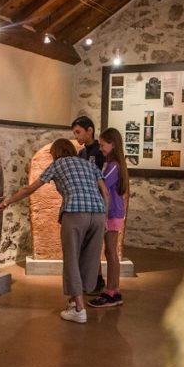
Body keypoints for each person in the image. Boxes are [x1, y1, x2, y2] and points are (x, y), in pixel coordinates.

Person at [0, 139, 107, 324]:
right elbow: (105, 192)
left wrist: (6, 202)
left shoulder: (57, 164)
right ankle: (74, 301)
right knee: (90, 259)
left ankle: (79, 309)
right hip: (99, 214)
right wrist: (106, 218)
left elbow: (30, 189)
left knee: (71, 259)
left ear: (56, 152)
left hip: (75, 212)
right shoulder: (88, 164)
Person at [89, 128, 130, 309]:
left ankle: (113, 291)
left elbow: (103, 185)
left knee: (111, 252)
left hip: (112, 212)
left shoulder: (113, 165)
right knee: (109, 252)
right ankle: (111, 290)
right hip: (112, 211)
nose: (100, 147)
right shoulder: (112, 164)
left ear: (112, 144)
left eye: (103, 143)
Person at [71, 116, 106, 294]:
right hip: (85, 203)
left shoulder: (100, 151)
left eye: (78, 132)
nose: (76, 137)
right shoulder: (81, 153)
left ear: (89, 130)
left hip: (97, 203)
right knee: (86, 245)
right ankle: (91, 279)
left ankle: (97, 279)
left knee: (94, 246)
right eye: (74, 133)